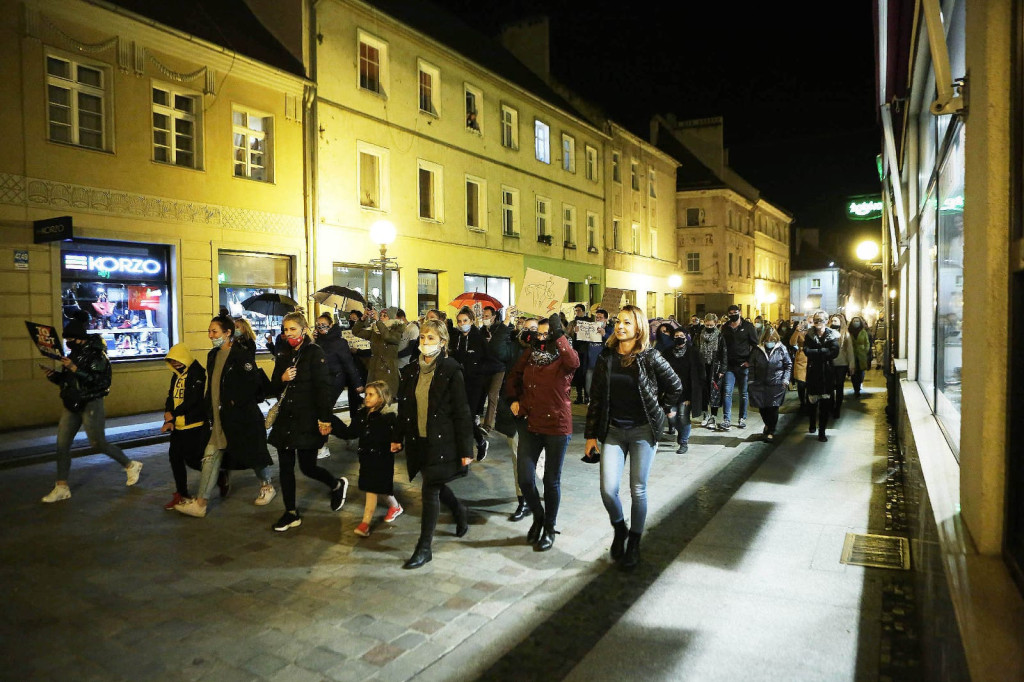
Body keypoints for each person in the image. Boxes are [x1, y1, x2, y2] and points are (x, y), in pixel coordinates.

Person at [585, 305, 682, 570]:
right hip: (613, 431)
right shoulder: (606, 357)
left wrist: (660, 409)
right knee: (608, 490)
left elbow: (675, 385)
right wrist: (591, 436)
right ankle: (620, 529)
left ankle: (635, 544)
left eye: (627, 322)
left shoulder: (650, 356)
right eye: (618, 321)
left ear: (638, 327)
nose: (620, 326)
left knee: (638, 489)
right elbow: (596, 399)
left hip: (643, 431)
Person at [391, 319, 474, 569]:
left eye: (431, 338)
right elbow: (405, 407)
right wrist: (397, 437)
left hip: (442, 440)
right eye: (423, 337)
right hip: (418, 439)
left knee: (429, 490)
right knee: (434, 482)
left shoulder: (451, 370)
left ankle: (424, 548)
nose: (425, 342)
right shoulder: (411, 370)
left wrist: (466, 449)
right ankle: (458, 510)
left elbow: (462, 412)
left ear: (442, 342)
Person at [175, 315, 276, 518]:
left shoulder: (241, 355)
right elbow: (212, 384)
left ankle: (267, 485)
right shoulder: (213, 355)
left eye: (214, 331)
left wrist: (233, 402)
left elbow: (252, 385)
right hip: (217, 417)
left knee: (253, 453)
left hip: (241, 417)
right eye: (209, 331)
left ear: (227, 333)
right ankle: (201, 503)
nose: (210, 335)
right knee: (210, 456)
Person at [41, 311, 143, 503]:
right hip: (72, 403)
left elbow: (99, 382)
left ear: (80, 338)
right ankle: (61, 486)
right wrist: (54, 376)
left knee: (98, 442)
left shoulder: (97, 355)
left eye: (71, 339)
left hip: (90, 402)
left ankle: (130, 465)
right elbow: (68, 381)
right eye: (67, 340)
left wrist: (75, 369)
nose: (68, 343)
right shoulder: (74, 354)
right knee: (62, 445)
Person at [267, 311, 349, 532]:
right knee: (285, 467)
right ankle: (290, 512)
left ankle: (336, 484)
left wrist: (324, 419)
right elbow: (273, 385)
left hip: (307, 419)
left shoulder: (314, 352)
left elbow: (323, 388)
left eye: (293, 329)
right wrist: (282, 378)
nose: (288, 333)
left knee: (307, 467)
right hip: (286, 419)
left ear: (304, 330)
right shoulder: (283, 353)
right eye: (286, 329)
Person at [505, 313, 579, 551]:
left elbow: (574, 363)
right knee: (525, 479)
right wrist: (513, 399)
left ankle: (549, 527)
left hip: (556, 425)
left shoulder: (565, 355)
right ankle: (538, 517)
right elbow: (513, 376)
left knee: (551, 480)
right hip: (530, 423)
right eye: (540, 333)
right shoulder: (530, 354)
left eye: (548, 333)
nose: (542, 337)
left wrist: (558, 334)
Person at [332, 381, 402, 537]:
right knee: (381, 489)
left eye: (371, 394)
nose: (367, 398)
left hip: (382, 459)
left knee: (372, 489)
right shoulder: (362, 414)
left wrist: (397, 443)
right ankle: (396, 507)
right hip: (366, 458)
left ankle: (365, 523)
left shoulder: (388, 416)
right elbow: (351, 433)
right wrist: (333, 424)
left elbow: (398, 436)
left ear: (381, 397)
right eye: (366, 394)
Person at [160, 343, 209, 509]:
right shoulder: (177, 375)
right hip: (178, 425)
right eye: (171, 361)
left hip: (194, 424)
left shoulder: (197, 373)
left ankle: (218, 475)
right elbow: (171, 396)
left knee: (193, 460)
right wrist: (168, 416)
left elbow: (193, 399)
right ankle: (181, 494)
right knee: (175, 458)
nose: (174, 363)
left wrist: (174, 414)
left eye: (176, 359)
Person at [500, 317, 538, 521]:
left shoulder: (550, 351)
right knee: (519, 460)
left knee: (542, 463)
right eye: (526, 329)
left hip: (543, 416)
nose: (531, 333)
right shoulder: (512, 348)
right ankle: (524, 500)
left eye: (535, 329)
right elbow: (496, 351)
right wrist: (505, 324)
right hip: (517, 415)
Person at [314, 312, 364, 458]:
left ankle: (323, 445)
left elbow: (349, 364)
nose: (321, 327)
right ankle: (346, 433)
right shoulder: (317, 341)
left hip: (334, 381)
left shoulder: (340, 342)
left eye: (324, 324)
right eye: (318, 325)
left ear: (331, 325)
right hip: (320, 381)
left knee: (324, 411)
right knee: (322, 411)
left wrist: (357, 383)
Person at [449, 306, 491, 461]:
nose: (462, 324)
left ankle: (479, 442)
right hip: (458, 382)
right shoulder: (456, 338)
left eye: (465, 320)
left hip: (474, 384)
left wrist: (478, 372)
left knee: (467, 416)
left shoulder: (478, 338)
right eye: (459, 321)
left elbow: (488, 360)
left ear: (471, 321)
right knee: (459, 415)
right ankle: (466, 446)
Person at [659, 326, 705, 453]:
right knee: (672, 417)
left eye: (681, 336)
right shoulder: (667, 352)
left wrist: (693, 394)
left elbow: (700, 373)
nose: (678, 338)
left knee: (683, 416)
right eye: (676, 336)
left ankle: (683, 442)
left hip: (686, 391)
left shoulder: (693, 352)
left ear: (686, 337)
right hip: (671, 391)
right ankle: (681, 433)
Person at [748, 326, 793, 443]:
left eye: (772, 340)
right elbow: (752, 365)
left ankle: (771, 431)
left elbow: (788, 365)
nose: (769, 342)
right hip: (760, 383)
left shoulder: (781, 349)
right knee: (762, 407)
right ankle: (768, 425)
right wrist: (751, 380)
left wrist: (785, 380)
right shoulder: (757, 350)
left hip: (776, 383)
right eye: (767, 340)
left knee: (773, 407)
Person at [719, 304, 759, 431]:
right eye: (730, 313)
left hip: (743, 365)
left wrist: (749, 362)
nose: (733, 315)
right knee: (727, 392)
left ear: (740, 312)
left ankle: (742, 418)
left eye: (735, 312)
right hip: (729, 366)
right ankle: (727, 419)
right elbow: (721, 346)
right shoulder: (725, 327)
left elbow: (755, 345)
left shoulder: (748, 327)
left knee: (743, 393)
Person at [803, 310, 840, 442]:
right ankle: (812, 422)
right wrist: (823, 352)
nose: (818, 322)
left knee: (825, 404)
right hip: (813, 372)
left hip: (827, 373)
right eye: (816, 320)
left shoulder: (831, 335)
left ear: (826, 321)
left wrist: (817, 352)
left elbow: (834, 352)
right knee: (812, 402)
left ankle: (822, 431)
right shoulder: (809, 335)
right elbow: (806, 350)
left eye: (821, 320)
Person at [352, 307, 405, 395]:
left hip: (388, 370)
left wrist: (378, 321)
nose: (381, 317)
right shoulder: (375, 330)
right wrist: (363, 318)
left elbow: (388, 337)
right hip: (374, 369)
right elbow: (356, 332)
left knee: (385, 395)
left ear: (391, 317)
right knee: (373, 395)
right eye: (380, 315)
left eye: (385, 315)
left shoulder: (397, 329)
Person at [480, 306, 513, 433]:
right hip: (486, 367)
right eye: (483, 316)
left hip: (499, 367)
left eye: (487, 316)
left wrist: (493, 342)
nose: (484, 318)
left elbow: (504, 343)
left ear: (493, 317)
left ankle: (488, 425)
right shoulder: (482, 330)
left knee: (493, 395)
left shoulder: (500, 328)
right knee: (484, 393)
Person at [694, 313, 727, 430]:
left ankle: (713, 416)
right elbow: (694, 351)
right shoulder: (699, 335)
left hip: (715, 367)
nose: (709, 327)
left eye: (711, 325)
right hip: (702, 367)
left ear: (716, 324)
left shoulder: (720, 336)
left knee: (715, 392)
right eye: (707, 325)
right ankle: (705, 414)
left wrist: (722, 369)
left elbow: (724, 353)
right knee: (703, 391)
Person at [828, 313, 855, 418]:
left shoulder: (845, 334)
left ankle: (837, 408)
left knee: (839, 386)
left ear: (840, 322)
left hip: (841, 364)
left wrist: (851, 364)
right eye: (832, 321)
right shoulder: (827, 333)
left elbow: (850, 350)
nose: (833, 323)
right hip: (830, 363)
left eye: (835, 321)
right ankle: (830, 406)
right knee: (830, 386)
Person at [567, 303, 591, 404]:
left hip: (586, 351)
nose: (577, 312)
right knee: (578, 375)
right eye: (576, 310)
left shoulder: (589, 321)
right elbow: (568, 335)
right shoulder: (573, 323)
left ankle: (587, 396)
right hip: (576, 350)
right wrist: (574, 331)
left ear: (584, 311)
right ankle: (579, 396)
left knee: (586, 374)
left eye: (579, 310)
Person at [848, 316, 872, 396]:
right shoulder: (849, 332)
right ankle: (856, 389)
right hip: (852, 355)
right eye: (854, 321)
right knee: (853, 373)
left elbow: (867, 343)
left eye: (857, 321)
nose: (856, 322)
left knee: (861, 372)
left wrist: (865, 351)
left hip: (861, 355)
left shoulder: (863, 332)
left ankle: (859, 384)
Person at [789, 320, 809, 411]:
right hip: (801, 359)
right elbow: (792, 343)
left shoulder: (813, 331)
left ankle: (809, 402)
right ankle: (802, 402)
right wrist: (797, 331)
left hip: (811, 357)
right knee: (801, 383)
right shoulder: (799, 332)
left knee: (809, 383)